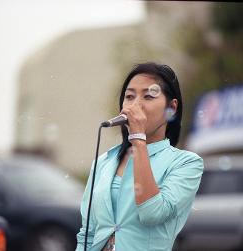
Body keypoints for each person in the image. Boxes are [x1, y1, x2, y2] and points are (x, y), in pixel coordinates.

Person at [76, 62, 204, 251]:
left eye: (148, 96)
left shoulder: (186, 163)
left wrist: (138, 139)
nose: (135, 105)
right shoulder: (103, 162)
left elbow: (152, 212)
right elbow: (87, 233)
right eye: (129, 96)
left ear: (172, 108)